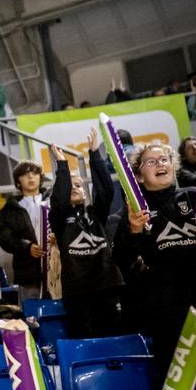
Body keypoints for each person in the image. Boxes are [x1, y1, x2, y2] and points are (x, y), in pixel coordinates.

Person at [113, 142, 196, 387]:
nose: (160, 163)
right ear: (138, 176)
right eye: (151, 161)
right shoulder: (135, 212)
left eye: (164, 159)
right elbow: (121, 261)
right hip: (170, 309)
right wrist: (134, 231)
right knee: (176, 383)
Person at [49, 132, 124, 338]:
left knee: (113, 337)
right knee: (85, 338)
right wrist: (62, 165)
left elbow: (107, 190)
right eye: (70, 185)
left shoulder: (96, 212)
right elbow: (60, 199)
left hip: (107, 285)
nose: (75, 187)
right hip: (78, 290)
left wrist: (94, 155)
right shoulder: (59, 218)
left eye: (79, 185)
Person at [0, 161, 50, 304]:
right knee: (30, 313)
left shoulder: (53, 201)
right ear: (18, 181)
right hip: (27, 271)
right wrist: (26, 247)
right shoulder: (10, 209)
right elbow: (5, 239)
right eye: (25, 175)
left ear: (40, 177)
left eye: (34, 173)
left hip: (57, 268)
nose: (31, 177)